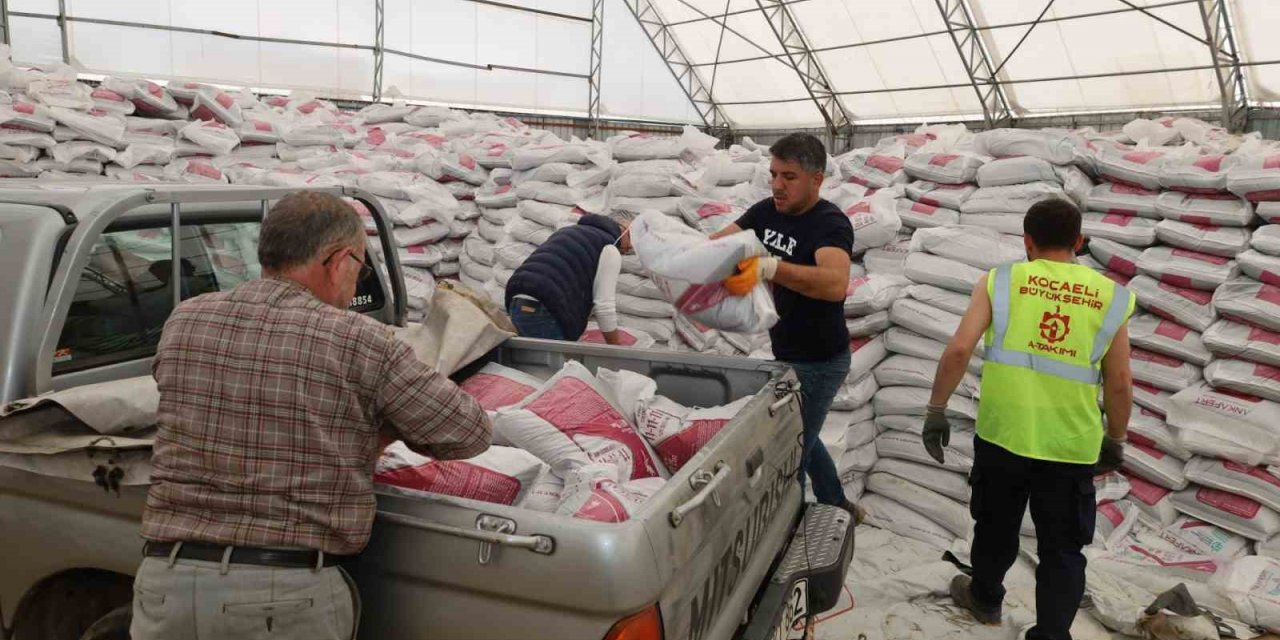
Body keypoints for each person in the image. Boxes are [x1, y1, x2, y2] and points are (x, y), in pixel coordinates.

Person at [131, 192, 492, 640]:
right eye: (360, 269)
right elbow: (469, 431)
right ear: (339, 261)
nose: (356, 283)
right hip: (283, 598)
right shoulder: (358, 339)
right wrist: (380, 428)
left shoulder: (185, 320)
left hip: (165, 586)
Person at [923, 198, 1134, 640]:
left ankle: (985, 598)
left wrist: (936, 410)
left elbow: (959, 349)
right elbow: (1118, 381)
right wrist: (1115, 437)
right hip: (1070, 445)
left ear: (1027, 241)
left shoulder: (1001, 281)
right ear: (1079, 241)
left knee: (995, 525)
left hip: (1004, 434)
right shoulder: (1110, 296)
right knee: (1063, 548)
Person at [712, 132, 858, 514]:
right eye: (774, 174)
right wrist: (676, 249)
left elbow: (835, 284)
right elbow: (718, 244)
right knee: (803, 434)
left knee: (789, 452)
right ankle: (838, 502)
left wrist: (770, 267)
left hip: (821, 361)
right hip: (786, 352)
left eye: (789, 177)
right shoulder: (765, 212)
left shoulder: (830, 223)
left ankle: (788, 526)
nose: (777, 185)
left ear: (816, 179)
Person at [504, 212, 634, 344]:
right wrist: (615, 347)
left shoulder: (569, 231)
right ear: (621, 228)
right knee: (553, 358)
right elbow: (604, 307)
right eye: (630, 236)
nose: (631, 246)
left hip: (517, 301)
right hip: (546, 308)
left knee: (528, 356)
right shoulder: (609, 248)